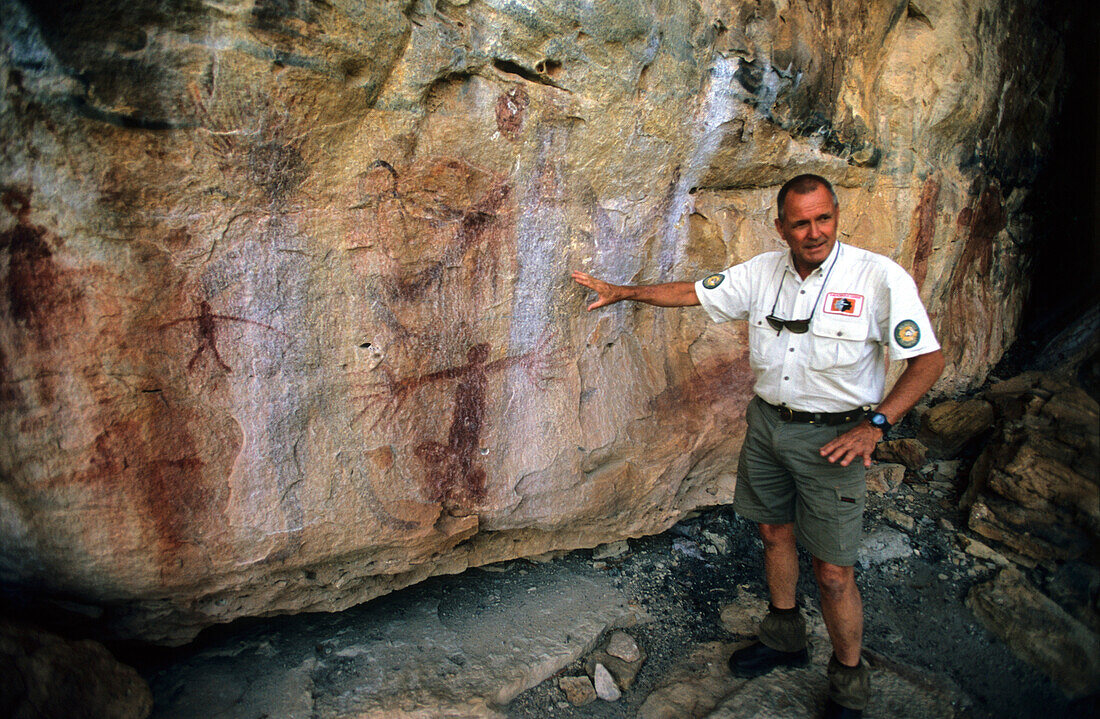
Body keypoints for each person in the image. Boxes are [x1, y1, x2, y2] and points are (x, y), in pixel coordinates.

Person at [572, 174, 945, 719]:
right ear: (782, 227)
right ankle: (783, 636)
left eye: (824, 218)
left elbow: (928, 360)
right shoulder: (763, 273)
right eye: (801, 222)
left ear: (836, 216)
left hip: (836, 439)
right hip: (769, 426)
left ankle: (848, 683)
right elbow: (694, 292)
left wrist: (878, 424)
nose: (814, 232)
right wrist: (625, 292)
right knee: (773, 533)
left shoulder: (878, 277)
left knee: (834, 570)